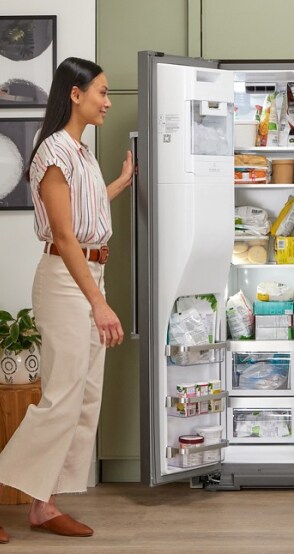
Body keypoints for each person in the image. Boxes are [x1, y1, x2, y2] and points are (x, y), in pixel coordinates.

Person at [0, 57, 133, 542]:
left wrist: (120, 183)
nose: (107, 101)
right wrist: (98, 303)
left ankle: (44, 505)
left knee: (83, 396)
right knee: (60, 398)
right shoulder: (53, 151)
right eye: (102, 91)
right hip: (65, 279)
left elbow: (84, 213)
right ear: (75, 95)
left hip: (88, 272)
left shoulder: (81, 153)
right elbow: (63, 234)